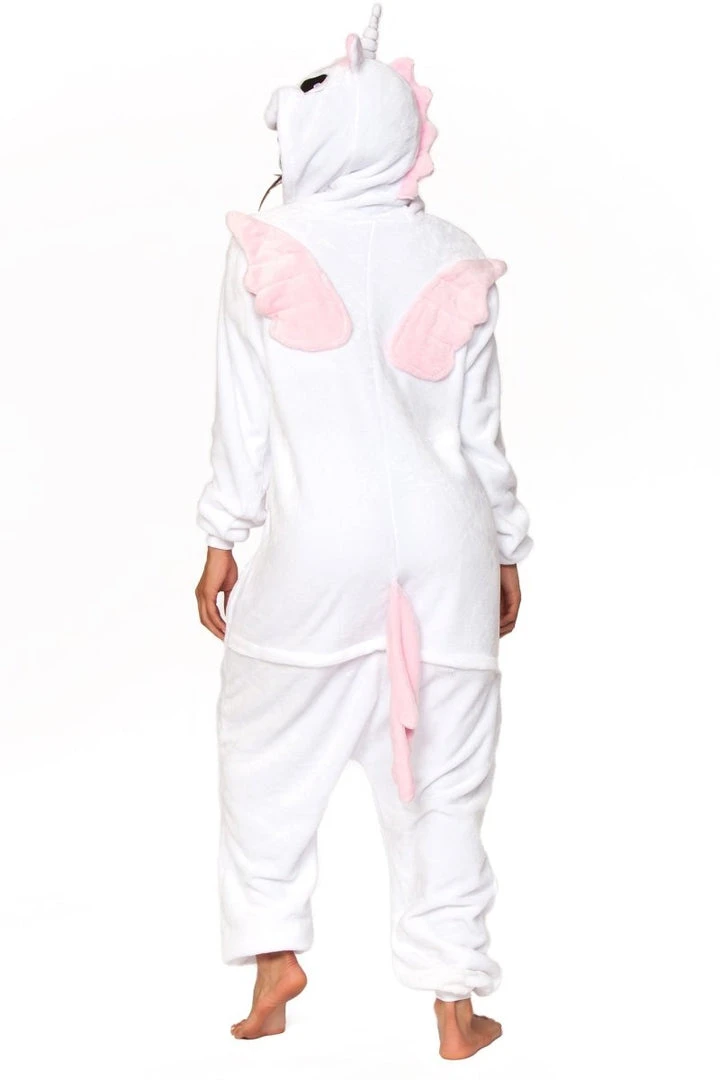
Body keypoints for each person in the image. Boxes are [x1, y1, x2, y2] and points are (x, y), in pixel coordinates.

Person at [195, 4, 532, 1061]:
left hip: (318, 541)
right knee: (445, 778)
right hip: (448, 546)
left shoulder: (269, 251)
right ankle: (454, 1005)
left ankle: (273, 954)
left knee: (263, 744)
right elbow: (479, 435)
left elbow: (245, 420)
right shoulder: (454, 255)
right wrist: (505, 549)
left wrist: (222, 535)